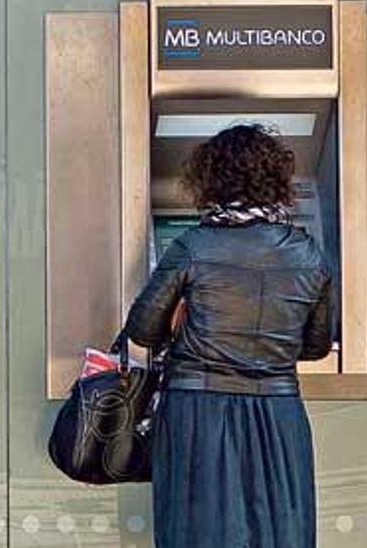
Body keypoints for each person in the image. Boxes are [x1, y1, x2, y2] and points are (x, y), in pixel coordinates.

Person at [124, 124, 331, 548]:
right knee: (279, 533)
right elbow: (315, 346)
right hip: (278, 414)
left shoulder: (193, 246)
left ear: (209, 180)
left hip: (199, 411)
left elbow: (142, 332)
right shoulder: (309, 253)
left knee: (198, 533)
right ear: (277, 181)